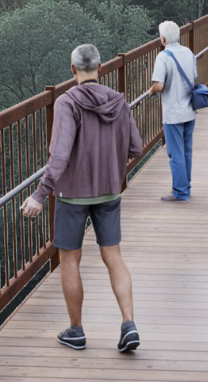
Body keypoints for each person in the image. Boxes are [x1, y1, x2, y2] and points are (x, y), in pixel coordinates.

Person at [22, 44, 144, 352]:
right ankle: (129, 324)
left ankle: (76, 331)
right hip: (109, 191)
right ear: (100, 68)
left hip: (72, 195)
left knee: (69, 260)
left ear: (72, 69)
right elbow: (136, 149)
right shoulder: (118, 101)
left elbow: (60, 155)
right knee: (113, 256)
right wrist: (111, 168)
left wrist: (39, 194)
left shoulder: (67, 102)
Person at [149, 20, 199, 202]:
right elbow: (193, 77)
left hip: (173, 113)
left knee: (175, 153)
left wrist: (151, 91)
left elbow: (159, 85)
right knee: (186, 151)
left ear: (162, 39)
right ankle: (186, 186)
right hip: (189, 110)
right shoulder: (188, 52)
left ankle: (180, 191)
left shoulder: (163, 56)